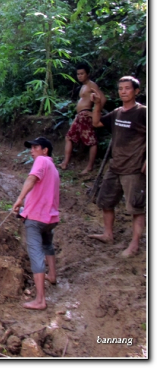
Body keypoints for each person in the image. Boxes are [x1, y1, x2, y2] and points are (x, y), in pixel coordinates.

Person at [89, 76, 147, 257]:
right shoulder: (117, 113)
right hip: (115, 166)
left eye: (127, 88)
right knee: (106, 201)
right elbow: (96, 123)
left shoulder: (143, 112)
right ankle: (108, 234)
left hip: (134, 168)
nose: (123, 91)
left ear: (136, 91)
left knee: (136, 208)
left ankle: (135, 244)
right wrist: (97, 104)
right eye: (121, 88)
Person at [12, 136, 60, 310]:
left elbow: (32, 179)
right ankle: (52, 275)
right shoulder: (53, 167)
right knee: (48, 245)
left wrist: (19, 200)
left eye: (35, 147)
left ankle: (40, 300)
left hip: (36, 217)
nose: (32, 151)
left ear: (45, 150)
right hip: (51, 218)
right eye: (31, 148)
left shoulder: (41, 161)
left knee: (36, 254)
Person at [60, 62, 106, 173]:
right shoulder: (83, 86)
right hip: (80, 116)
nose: (80, 76)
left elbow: (102, 99)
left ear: (88, 74)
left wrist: (95, 113)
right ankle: (65, 162)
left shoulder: (92, 85)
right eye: (78, 74)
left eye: (82, 73)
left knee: (91, 141)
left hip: (86, 115)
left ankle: (89, 166)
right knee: (69, 137)